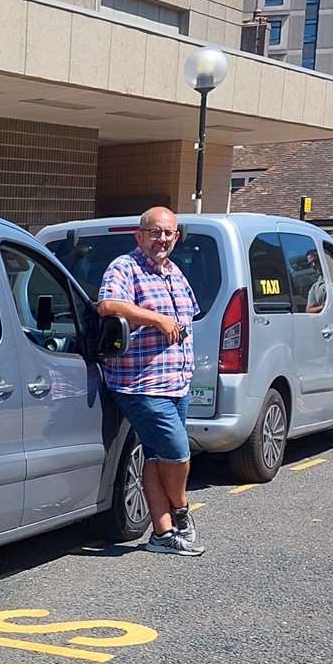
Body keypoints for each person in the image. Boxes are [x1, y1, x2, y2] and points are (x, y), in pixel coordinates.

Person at [97, 206, 204, 557]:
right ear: (139, 236)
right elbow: (109, 305)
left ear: (176, 237)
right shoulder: (125, 267)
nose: (161, 239)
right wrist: (156, 319)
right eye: (155, 232)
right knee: (178, 453)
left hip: (176, 382)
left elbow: (188, 320)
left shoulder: (174, 273)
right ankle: (182, 511)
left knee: (157, 456)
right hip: (141, 384)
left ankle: (163, 533)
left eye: (168, 233)